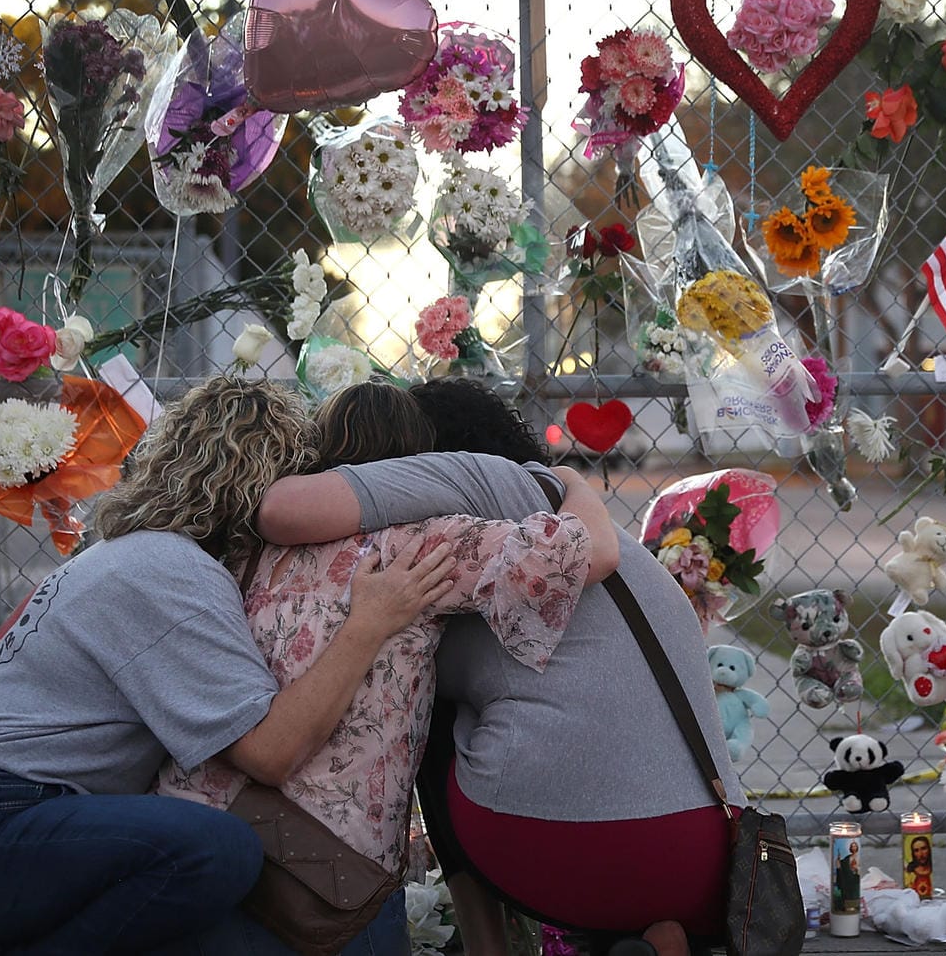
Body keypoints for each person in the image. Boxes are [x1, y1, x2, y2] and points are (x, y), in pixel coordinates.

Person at [0, 377, 458, 956]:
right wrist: (368, 625)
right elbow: (270, 752)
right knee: (218, 850)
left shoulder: (125, 555)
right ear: (262, 489)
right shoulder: (173, 572)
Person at [259, 378, 745, 956]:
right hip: (708, 851)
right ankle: (642, 933)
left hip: (557, 843)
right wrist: (572, 481)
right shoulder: (556, 508)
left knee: (434, 710)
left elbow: (278, 509)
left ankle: (489, 947)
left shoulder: (460, 489)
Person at [159, 381, 619, 893]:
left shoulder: (244, 544)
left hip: (190, 817)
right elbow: (580, 556)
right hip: (324, 861)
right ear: (418, 460)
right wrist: (574, 485)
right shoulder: (420, 544)